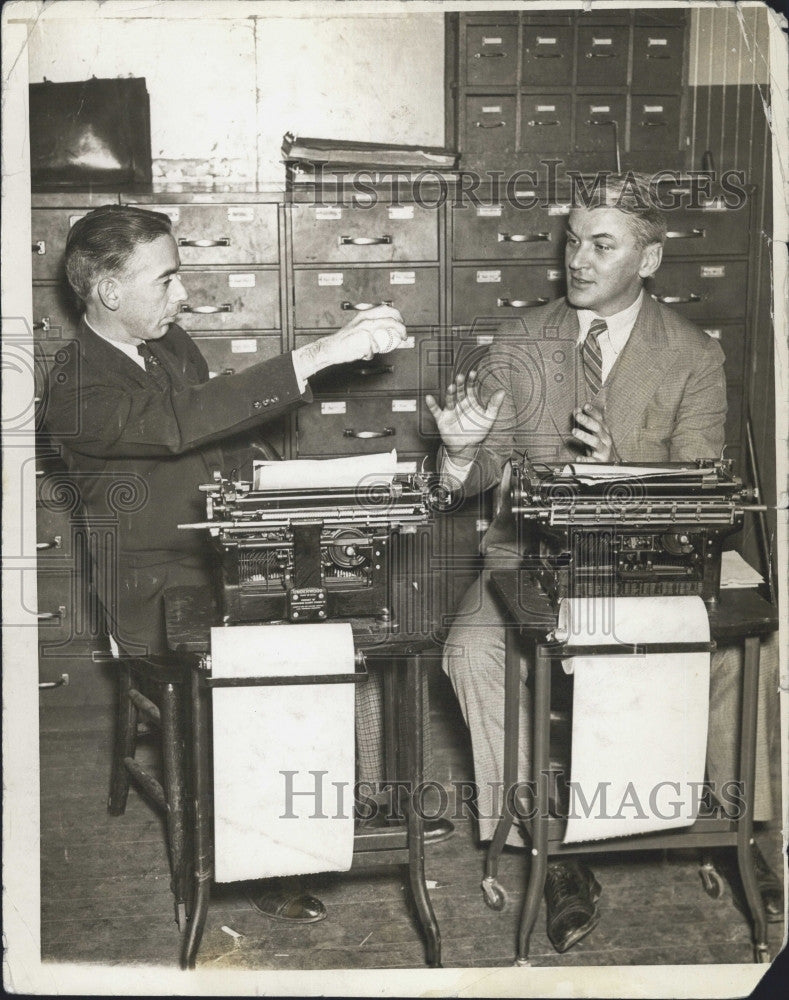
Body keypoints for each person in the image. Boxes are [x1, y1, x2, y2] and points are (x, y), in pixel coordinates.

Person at [40, 203, 449, 928]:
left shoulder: (169, 346)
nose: (183, 296)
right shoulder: (75, 389)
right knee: (285, 640)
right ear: (107, 291)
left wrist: (292, 494)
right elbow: (180, 425)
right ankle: (272, 844)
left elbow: (224, 439)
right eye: (166, 280)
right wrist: (316, 356)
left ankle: (347, 801)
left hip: (220, 553)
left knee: (350, 609)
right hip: (158, 590)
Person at [426, 174, 782, 953]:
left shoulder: (692, 355)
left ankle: (731, 823)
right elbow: (480, 469)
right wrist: (457, 458)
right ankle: (542, 851)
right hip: (530, 555)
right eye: (571, 240)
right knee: (472, 652)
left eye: (601, 244)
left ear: (648, 258)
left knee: (749, 644)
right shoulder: (520, 342)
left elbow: (699, 489)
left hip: (655, 557)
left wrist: (622, 474)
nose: (575, 260)